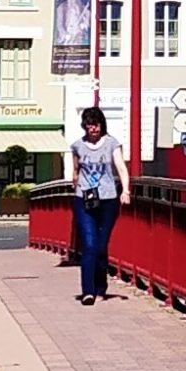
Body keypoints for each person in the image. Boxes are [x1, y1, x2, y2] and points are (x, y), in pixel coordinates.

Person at [70, 106, 126, 305]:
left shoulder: (112, 144)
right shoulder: (77, 146)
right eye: (89, 125)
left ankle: (101, 285)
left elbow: (120, 167)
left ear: (102, 125)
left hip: (108, 199)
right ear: (84, 126)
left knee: (101, 246)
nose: (93, 129)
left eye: (96, 124)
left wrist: (125, 190)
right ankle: (88, 291)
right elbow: (76, 171)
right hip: (84, 199)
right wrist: (76, 185)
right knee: (90, 245)